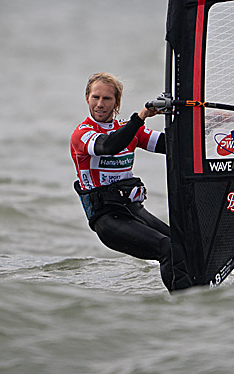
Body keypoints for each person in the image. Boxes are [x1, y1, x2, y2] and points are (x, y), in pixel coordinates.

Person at [70, 72, 187, 291]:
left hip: (133, 211)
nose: (100, 104)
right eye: (95, 97)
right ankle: (183, 304)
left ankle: (200, 293)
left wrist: (207, 124)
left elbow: (173, 145)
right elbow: (109, 146)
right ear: (87, 98)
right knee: (168, 249)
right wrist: (141, 116)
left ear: (116, 103)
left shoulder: (129, 130)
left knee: (184, 247)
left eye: (107, 98)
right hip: (108, 219)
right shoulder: (82, 134)